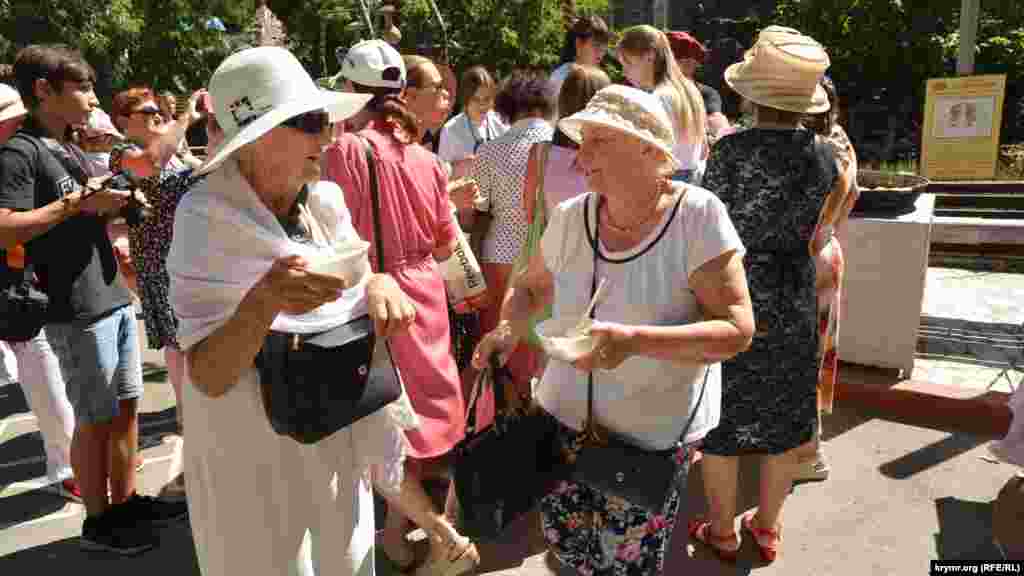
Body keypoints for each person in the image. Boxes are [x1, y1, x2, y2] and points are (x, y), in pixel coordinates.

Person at [473, 84, 753, 576]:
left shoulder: (698, 215)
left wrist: (632, 342)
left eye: (597, 141)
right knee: (567, 546)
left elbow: (736, 329)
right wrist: (507, 329)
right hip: (561, 422)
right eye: (581, 143)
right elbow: (531, 286)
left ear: (648, 148)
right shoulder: (570, 216)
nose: (581, 159)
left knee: (625, 564)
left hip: (649, 437)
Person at [167, 46, 414, 575]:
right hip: (252, 459)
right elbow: (207, 375)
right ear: (253, 137)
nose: (327, 136)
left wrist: (379, 283)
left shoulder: (323, 201)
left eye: (325, 121)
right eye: (307, 122)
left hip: (333, 434)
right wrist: (264, 301)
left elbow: (356, 272)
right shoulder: (205, 216)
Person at [0, 44, 185, 555]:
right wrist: (76, 202)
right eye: (80, 87)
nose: (91, 97)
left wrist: (110, 202)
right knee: (94, 417)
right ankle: (99, 523)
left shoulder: (68, 145)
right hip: (74, 305)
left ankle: (124, 503)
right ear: (43, 90)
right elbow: (5, 225)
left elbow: (84, 206)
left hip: (110, 295)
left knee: (126, 409)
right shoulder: (21, 151)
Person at [324, 40, 479, 576]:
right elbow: (443, 242)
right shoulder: (426, 158)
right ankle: (413, 527)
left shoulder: (343, 151)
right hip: (425, 292)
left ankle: (402, 534)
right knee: (427, 419)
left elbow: (330, 233)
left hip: (372, 293)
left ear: (350, 91)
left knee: (380, 418)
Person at [692, 28, 840, 564]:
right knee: (784, 421)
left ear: (751, 96)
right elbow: (821, 234)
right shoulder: (827, 157)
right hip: (794, 293)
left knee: (721, 418)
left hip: (734, 293)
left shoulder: (728, 152)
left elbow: (706, 227)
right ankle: (769, 527)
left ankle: (722, 530)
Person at [0, 81, 79, 501]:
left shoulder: (18, 155)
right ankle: (68, 466)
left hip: (32, 283)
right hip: (18, 290)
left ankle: (74, 458)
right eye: (11, 123)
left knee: (53, 370)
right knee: (43, 372)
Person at [512, 64, 610, 386]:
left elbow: (529, 213)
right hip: (603, 264)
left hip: (549, 263)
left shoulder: (539, 153)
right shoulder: (611, 160)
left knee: (546, 356)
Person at [470, 70, 554, 396]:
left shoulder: (489, 150)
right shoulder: (559, 147)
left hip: (499, 252)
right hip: (543, 253)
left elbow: (481, 208)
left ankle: (502, 410)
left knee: (499, 339)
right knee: (538, 343)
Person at [796, 74, 860, 483]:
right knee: (814, 355)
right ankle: (808, 449)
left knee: (792, 356)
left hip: (799, 260)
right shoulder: (840, 142)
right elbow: (852, 196)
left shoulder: (799, 150)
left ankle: (803, 452)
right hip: (828, 250)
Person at [617, 25, 708, 184]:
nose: (624, 72)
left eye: (628, 63)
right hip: (691, 183)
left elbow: (646, 154)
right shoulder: (689, 89)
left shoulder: (657, 98)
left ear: (649, 57)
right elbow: (703, 150)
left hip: (663, 184)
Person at [666, 30, 731, 140]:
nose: (681, 68)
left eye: (689, 62)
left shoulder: (706, 93)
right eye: (679, 61)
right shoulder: (643, 90)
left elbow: (717, 123)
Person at [437, 65, 508, 165]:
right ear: (466, 99)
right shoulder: (450, 130)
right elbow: (442, 172)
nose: (482, 105)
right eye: (476, 99)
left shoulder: (501, 123)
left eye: (487, 99)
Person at [549, 14, 610, 113]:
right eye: (596, 45)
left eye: (604, 47)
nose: (601, 52)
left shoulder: (601, 76)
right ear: (578, 43)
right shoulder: (560, 77)